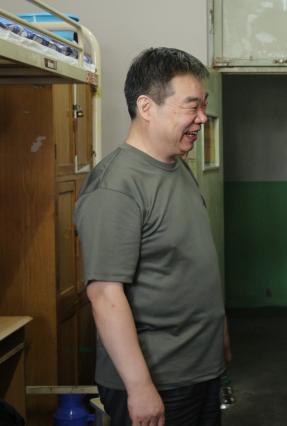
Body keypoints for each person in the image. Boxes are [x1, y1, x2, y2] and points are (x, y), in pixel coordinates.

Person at [75, 47, 229, 426]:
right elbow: (105, 294)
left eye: (203, 106)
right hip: (158, 378)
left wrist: (219, 332)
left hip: (199, 367)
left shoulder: (177, 167)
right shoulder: (116, 185)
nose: (202, 118)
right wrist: (140, 387)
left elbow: (192, 262)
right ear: (146, 107)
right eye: (192, 107)